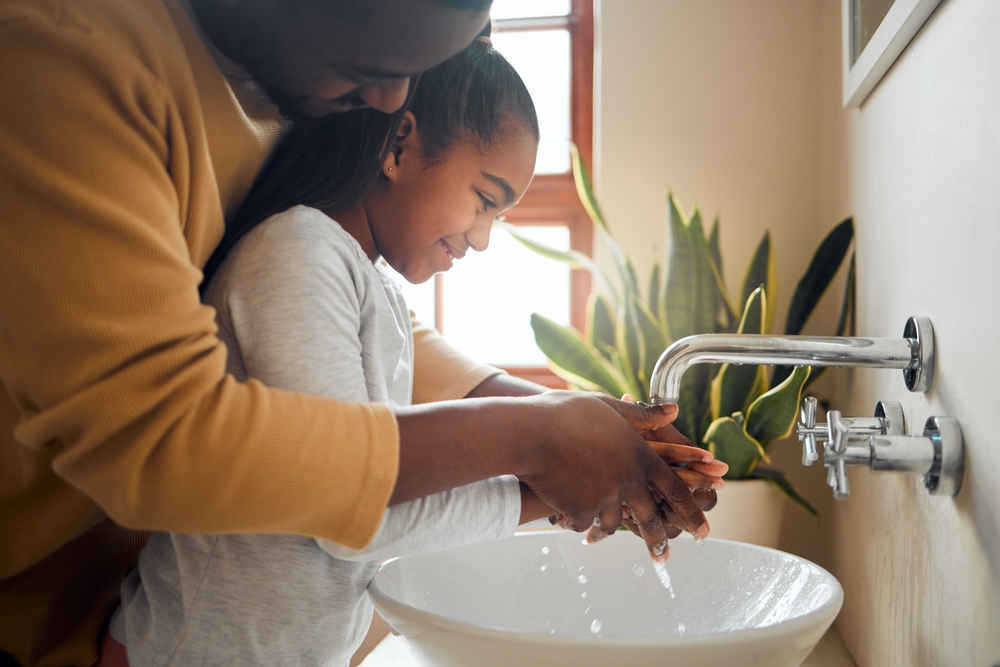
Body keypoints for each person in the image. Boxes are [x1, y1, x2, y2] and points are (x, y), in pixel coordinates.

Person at [0, 1, 708, 665]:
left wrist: (579, 432)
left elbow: (358, 336)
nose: (393, 98)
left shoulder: (313, 110)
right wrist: (538, 447)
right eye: (375, 69)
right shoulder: (74, 57)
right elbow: (174, 439)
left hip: (124, 596)